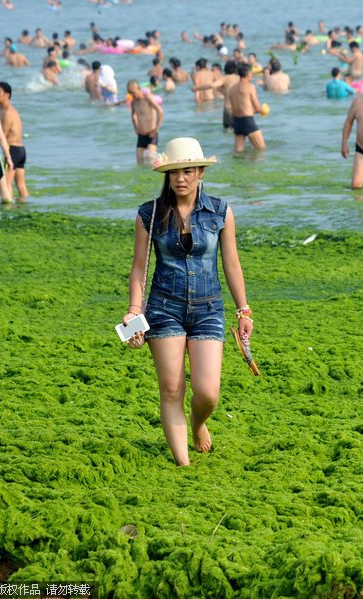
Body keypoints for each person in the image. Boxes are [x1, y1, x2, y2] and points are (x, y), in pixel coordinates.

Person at [123, 137, 252, 467]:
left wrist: (243, 309)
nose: (181, 178)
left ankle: (197, 423)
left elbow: (232, 264)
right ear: (166, 175)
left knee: (208, 393)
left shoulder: (221, 212)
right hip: (163, 308)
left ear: (200, 173)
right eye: (175, 172)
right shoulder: (148, 214)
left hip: (209, 309)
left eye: (188, 171)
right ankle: (183, 466)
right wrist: (134, 311)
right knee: (171, 390)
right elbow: (139, 267)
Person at [0, 82, 28, 202]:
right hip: (20, 150)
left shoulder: (7, 112)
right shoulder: (3, 110)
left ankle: (9, 211)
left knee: (6, 185)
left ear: (7, 95)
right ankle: (23, 207)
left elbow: (2, 136)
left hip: (12, 150)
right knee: (21, 185)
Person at [228, 64, 266, 152]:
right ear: (248, 74)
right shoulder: (250, 87)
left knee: (238, 153)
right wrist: (263, 110)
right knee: (262, 150)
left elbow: (235, 109)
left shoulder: (232, 89)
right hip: (248, 121)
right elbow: (257, 108)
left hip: (237, 123)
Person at [128, 79, 163, 164]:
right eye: (130, 93)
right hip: (141, 135)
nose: (132, 95)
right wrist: (136, 128)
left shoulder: (147, 98)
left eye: (133, 92)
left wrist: (157, 129)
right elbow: (133, 115)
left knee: (151, 160)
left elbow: (160, 111)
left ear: (138, 88)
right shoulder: (133, 102)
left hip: (152, 134)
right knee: (139, 162)